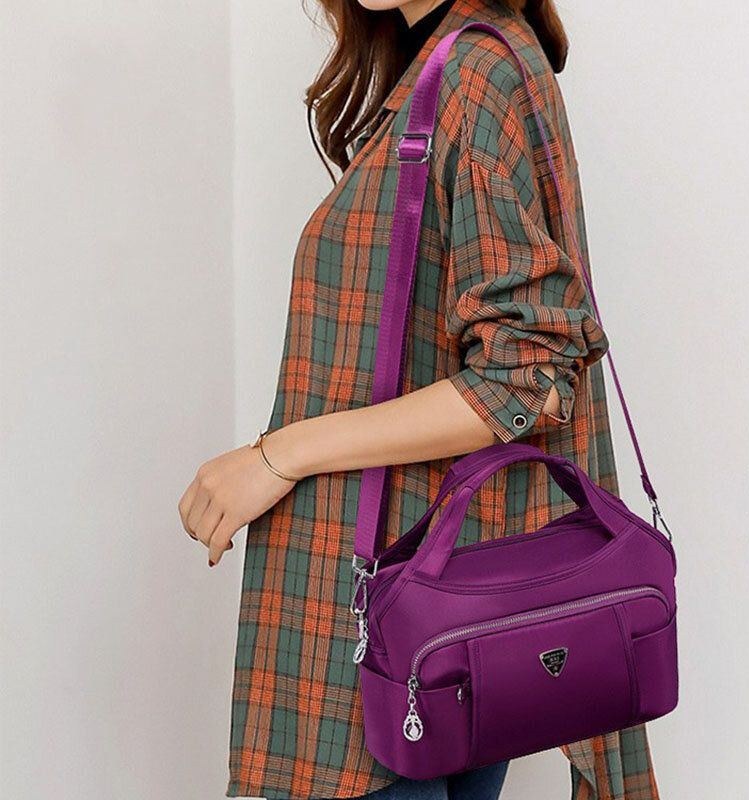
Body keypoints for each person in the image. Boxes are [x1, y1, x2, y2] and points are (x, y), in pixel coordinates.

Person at [178, 1, 661, 797]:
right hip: (421, 604)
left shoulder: (476, 73)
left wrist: (277, 457)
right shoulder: (449, 63)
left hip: (382, 617)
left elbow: (523, 377)